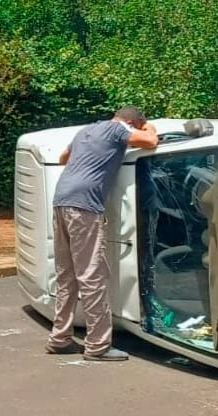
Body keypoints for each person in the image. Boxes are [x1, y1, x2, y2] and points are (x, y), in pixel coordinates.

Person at [47, 106, 159, 361]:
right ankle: (98, 346)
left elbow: (64, 158)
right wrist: (147, 127)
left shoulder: (87, 130)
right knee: (92, 275)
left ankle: (59, 338)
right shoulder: (118, 129)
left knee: (67, 275)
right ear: (132, 122)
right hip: (86, 205)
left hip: (62, 200)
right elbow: (151, 141)